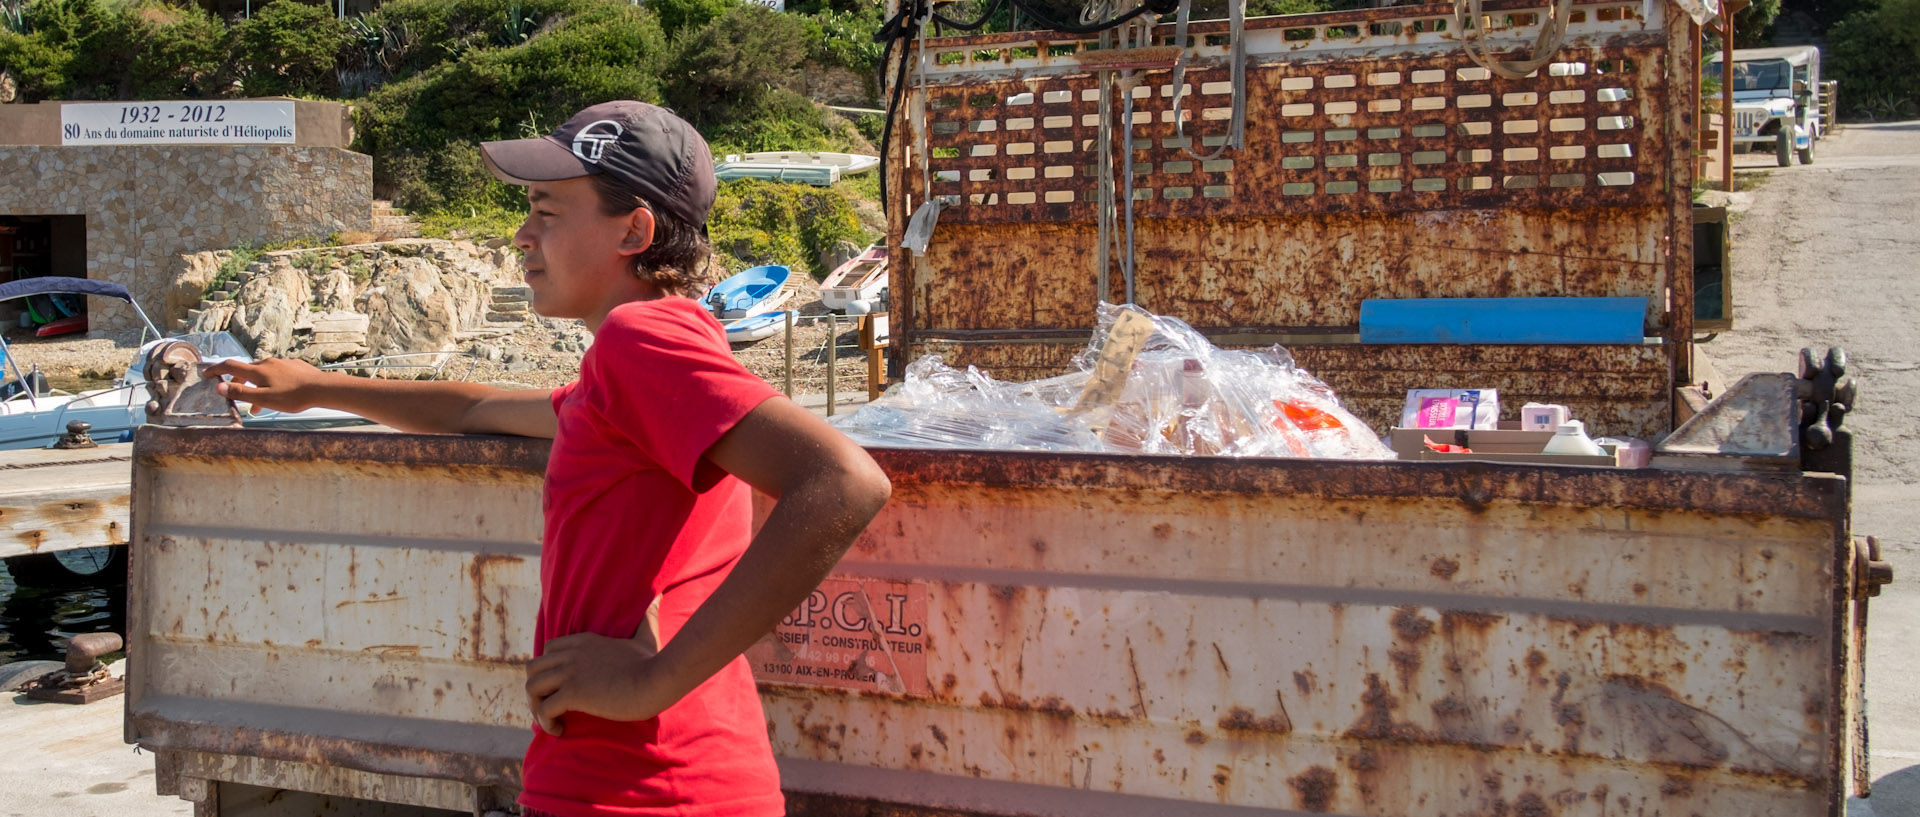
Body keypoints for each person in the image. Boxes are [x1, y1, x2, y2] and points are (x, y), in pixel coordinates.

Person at [206, 101, 893, 817]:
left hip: (647, 788)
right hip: (644, 781)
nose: (520, 235)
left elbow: (842, 481)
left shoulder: (641, 340)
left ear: (635, 229)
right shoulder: (632, 371)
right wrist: (317, 385)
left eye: (547, 212)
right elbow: (473, 408)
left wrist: (652, 680)